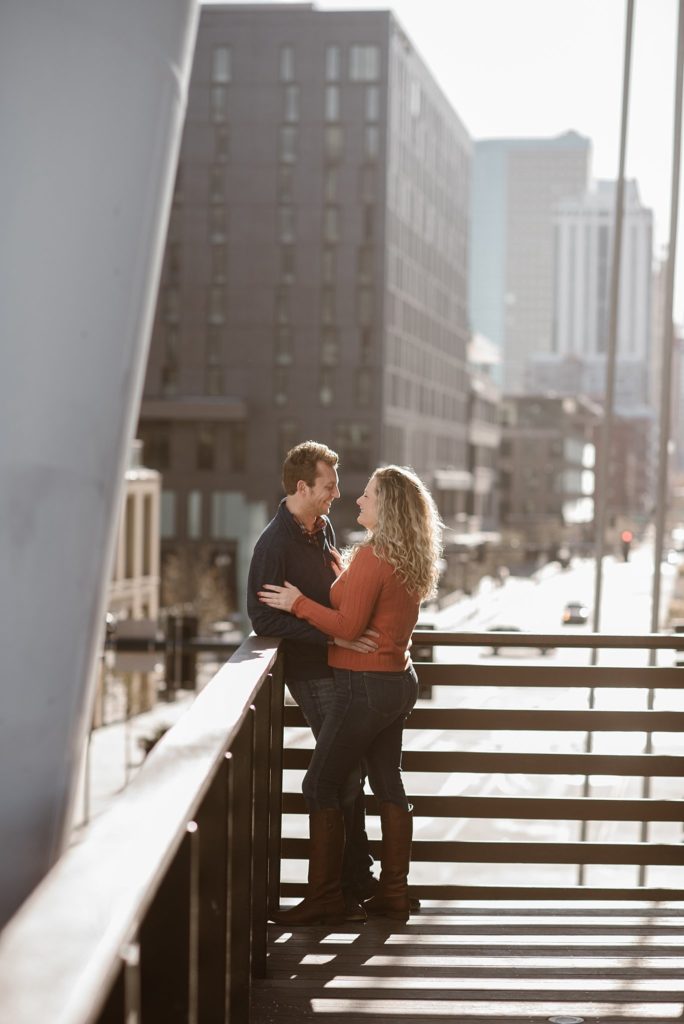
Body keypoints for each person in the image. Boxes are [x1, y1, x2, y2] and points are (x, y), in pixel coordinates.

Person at [259, 465, 442, 925]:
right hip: (398, 682)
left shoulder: (375, 557)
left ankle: (325, 898)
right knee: (386, 784)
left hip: (364, 686)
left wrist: (296, 602)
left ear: (389, 507)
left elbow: (348, 627)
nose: (358, 500)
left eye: (369, 495)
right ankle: (393, 892)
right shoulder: (409, 556)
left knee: (319, 784)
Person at [247, 441, 379, 920]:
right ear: (301, 487)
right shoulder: (273, 544)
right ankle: (346, 888)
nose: (336, 494)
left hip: (340, 667)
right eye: (328, 485)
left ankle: (351, 885)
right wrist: (328, 640)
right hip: (313, 672)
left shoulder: (319, 529)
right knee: (337, 776)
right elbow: (262, 619)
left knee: (348, 774)